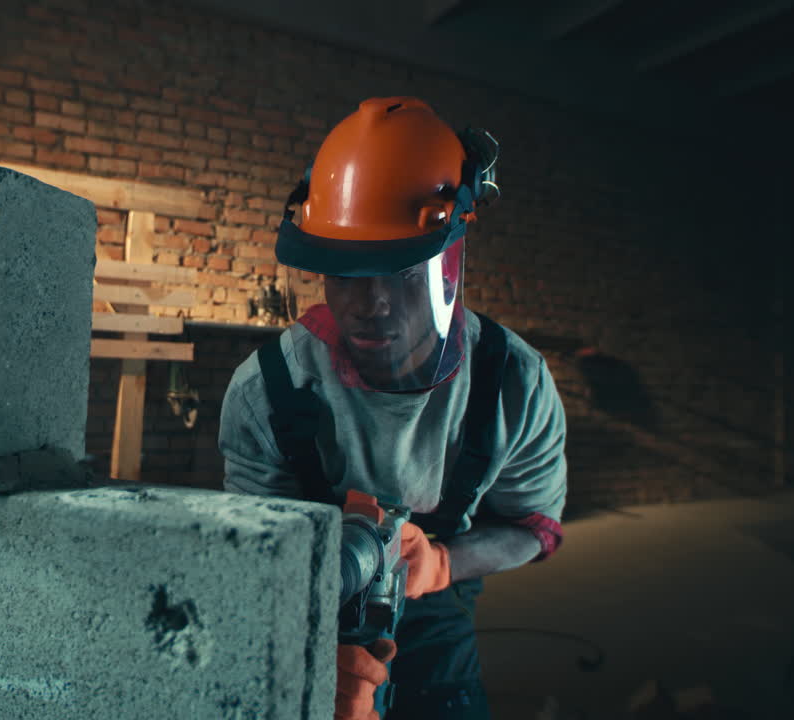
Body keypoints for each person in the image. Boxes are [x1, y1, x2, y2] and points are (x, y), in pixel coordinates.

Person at [218, 97, 568, 719]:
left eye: (403, 271)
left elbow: (534, 531)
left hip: (438, 604)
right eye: (344, 272)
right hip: (301, 604)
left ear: (451, 258)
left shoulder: (513, 384)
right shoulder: (267, 392)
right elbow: (248, 559)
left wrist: (441, 562)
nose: (371, 303)